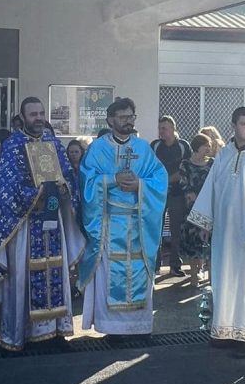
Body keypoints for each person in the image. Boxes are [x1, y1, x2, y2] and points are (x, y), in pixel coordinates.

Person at [0, 97, 84, 351]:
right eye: (33, 114)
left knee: (55, 272)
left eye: (41, 113)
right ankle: (21, 335)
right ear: (23, 117)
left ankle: (56, 332)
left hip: (52, 220)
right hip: (25, 224)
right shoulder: (13, 145)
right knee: (23, 277)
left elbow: (68, 176)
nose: (38, 118)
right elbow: (6, 188)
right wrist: (33, 196)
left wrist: (63, 187)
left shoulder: (52, 142)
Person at [79, 98, 168, 340]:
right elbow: (86, 182)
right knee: (111, 274)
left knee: (139, 272)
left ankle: (138, 328)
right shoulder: (97, 149)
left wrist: (140, 184)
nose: (128, 121)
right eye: (123, 117)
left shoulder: (142, 148)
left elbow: (160, 179)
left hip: (138, 223)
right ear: (110, 120)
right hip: (110, 224)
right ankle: (113, 329)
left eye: (132, 117)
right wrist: (112, 180)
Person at [188, 107, 245, 357]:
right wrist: (205, 222)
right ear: (234, 125)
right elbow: (211, 187)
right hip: (223, 230)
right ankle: (223, 330)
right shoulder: (223, 154)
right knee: (223, 278)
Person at [151, 115, 193, 276]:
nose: (161, 132)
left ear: (173, 129)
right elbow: (150, 167)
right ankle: (155, 265)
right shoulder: (155, 146)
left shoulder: (183, 146)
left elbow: (186, 169)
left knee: (176, 229)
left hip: (177, 193)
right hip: (158, 193)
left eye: (164, 128)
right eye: (160, 128)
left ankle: (175, 264)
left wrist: (169, 179)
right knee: (155, 228)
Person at [178, 133, 215, 287]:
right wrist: (192, 195)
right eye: (205, 145)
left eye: (209, 145)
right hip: (192, 209)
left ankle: (212, 280)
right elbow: (184, 185)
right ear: (197, 146)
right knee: (193, 243)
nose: (208, 148)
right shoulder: (185, 164)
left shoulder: (213, 163)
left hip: (211, 208)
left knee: (211, 245)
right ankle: (194, 277)